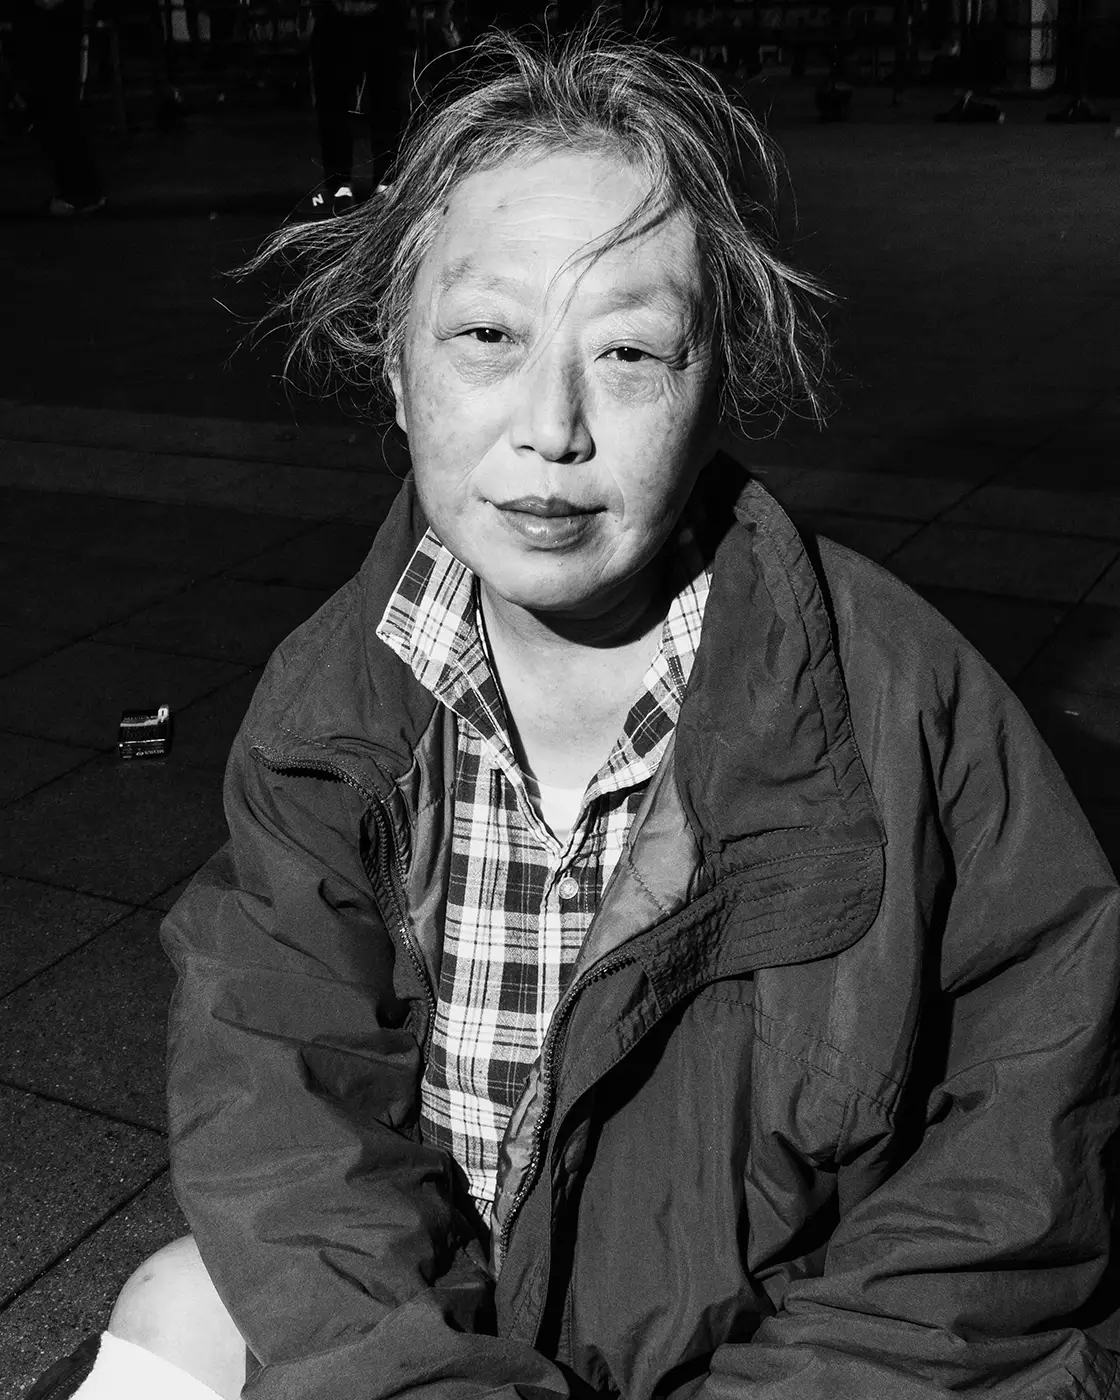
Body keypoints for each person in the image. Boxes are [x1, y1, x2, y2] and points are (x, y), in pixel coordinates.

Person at [34, 28, 1120, 1400]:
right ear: (393, 367)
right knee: (176, 1302)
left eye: (629, 351)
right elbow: (283, 1106)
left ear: (718, 385)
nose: (552, 424)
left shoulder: (910, 705)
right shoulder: (331, 713)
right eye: (488, 335)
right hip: (453, 1337)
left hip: (785, 1362)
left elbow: (1012, 1181)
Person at [307, 0, 408, 215]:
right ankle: (347, 184)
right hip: (346, 18)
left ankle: (370, 182)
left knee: (383, 105)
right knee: (339, 107)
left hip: (371, 18)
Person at [8, 0, 103, 214]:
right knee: (54, 106)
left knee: (55, 106)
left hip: (51, 18)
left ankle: (81, 190)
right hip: (51, 17)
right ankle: (81, 189)